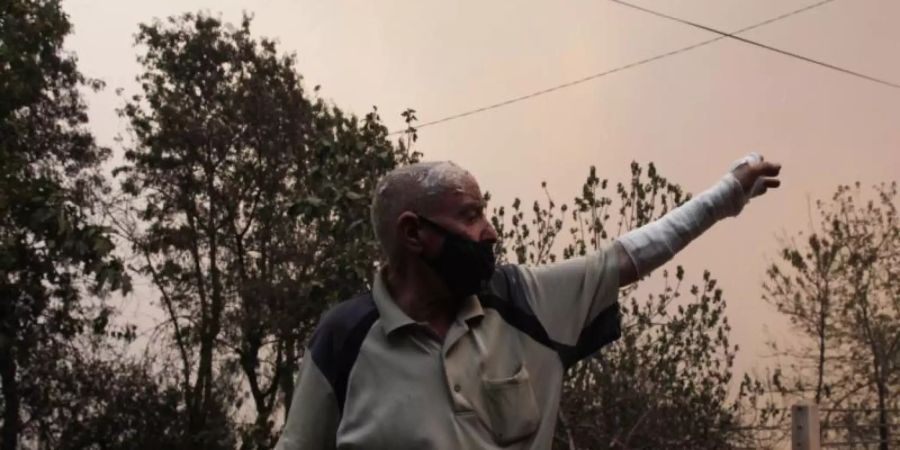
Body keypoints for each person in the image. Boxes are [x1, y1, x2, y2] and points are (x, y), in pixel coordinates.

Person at [275, 153, 781, 450]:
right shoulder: (343, 339)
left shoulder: (523, 302)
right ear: (414, 234)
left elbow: (629, 255)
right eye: (471, 217)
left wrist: (725, 197)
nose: (489, 232)